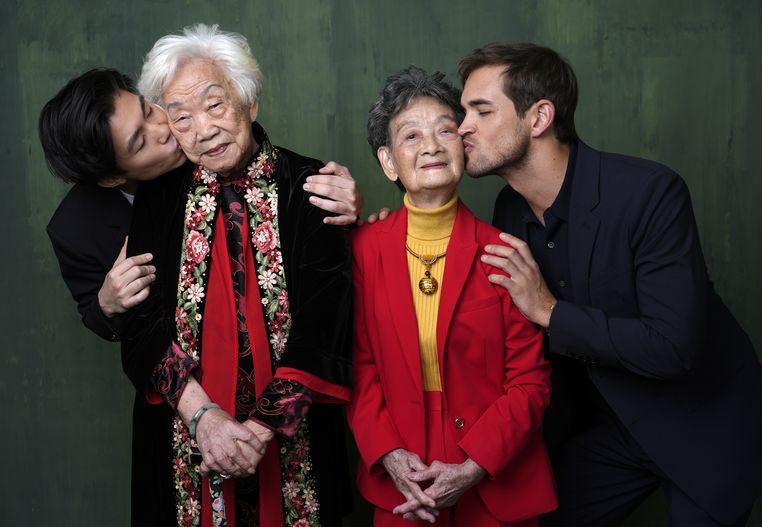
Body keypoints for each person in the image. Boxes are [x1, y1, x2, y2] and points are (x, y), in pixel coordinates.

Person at [453, 43, 762, 526]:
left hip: (706, 427)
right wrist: (384, 228)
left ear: (540, 117)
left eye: (480, 111)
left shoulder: (650, 192)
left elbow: (673, 347)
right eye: (463, 112)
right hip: (611, 429)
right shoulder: (509, 209)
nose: (463, 127)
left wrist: (549, 312)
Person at [121, 24, 355, 527]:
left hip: (294, 441)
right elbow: (140, 323)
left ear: (249, 101)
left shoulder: (311, 184)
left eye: (215, 105)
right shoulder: (157, 197)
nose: (202, 130)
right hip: (185, 436)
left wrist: (261, 431)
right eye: (180, 118)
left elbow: (327, 318)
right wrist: (204, 419)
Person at [346, 66, 557, 527]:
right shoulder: (361, 250)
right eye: (411, 136)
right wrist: (389, 453)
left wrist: (474, 464)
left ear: (463, 145)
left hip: (496, 478)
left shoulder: (505, 254)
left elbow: (531, 381)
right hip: (404, 482)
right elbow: (358, 368)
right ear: (388, 162)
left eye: (445, 129)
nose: (431, 146)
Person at [41, 68, 362, 343]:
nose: (165, 128)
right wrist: (107, 303)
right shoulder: (73, 228)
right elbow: (98, 318)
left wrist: (344, 210)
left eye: (149, 110)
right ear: (111, 178)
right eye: (140, 142)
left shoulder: (209, 147)